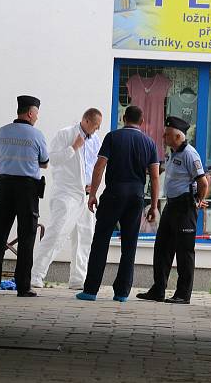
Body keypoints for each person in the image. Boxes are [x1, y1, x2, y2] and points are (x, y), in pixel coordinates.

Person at [76, 105, 161, 302]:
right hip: (136, 197)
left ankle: (91, 290)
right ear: (141, 122)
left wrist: (93, 194)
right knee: (129, 245)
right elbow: (155, 177)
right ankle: (122, 293)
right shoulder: (149, 143)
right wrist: (154, 206)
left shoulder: (112, 137)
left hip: (114, 193)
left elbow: (99, 166)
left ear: (123, 118)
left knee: (100, 241)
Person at [137, 116, 208, 304]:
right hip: (171, 205)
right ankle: (158, 289)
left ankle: (183, 294)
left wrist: (197, 201)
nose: (163, 137)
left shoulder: (190, 154)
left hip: (184, 206)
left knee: (184, 251)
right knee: (162, 247)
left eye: (167, 134)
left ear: (178, 136)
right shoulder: (173, 152)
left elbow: (203, 182)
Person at [0, 95, 49, 297]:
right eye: (37, 113)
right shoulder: (37, 135)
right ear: (30, 113)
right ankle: (23, 286)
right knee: (27, 236)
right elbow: (45, 161)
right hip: (27, 190)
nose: (37, 117)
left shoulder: (3, 132)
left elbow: (2, 154)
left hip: (3, 187)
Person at [31, 109, 103, 289]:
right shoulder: (65, 134)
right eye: (95, 126)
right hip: (66, 193)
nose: (96, 130)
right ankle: (35, 275)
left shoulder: (95, 140)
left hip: (86, 195)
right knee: (57, 232)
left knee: (85, 236)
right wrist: (73, 148)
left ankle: (78, 279)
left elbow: (95, 165)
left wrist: (92, 187)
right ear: (86, 121)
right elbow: (52, 159)